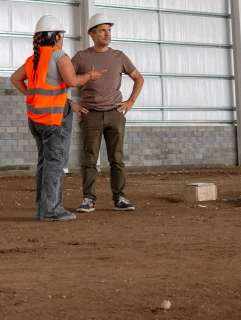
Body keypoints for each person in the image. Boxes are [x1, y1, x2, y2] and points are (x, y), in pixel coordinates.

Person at [10, 15, 105, 222]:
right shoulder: (59, 56)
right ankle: (51, 210)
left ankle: (43, 208)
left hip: (36, 118)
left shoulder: (33, 59)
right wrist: (90, 76)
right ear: (56, 37)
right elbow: (72, 81)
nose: (62, 38)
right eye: (61, 34)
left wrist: (31, 95)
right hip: (55, 118)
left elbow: (15, 78)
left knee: (44, 164)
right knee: (54, 165)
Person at [71, 13, 144, 213]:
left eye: (109, 30)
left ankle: (119, 197)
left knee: (116, 159)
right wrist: (71, 104)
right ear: (92, 34)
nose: (107, 33)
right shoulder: (81, 57)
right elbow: (63, 81)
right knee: (89, 159)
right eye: (102, 30)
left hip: (115, 114)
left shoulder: (119, 56)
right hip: (90, 114)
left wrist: (130, 101)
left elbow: (138, 78)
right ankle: (88, 198)